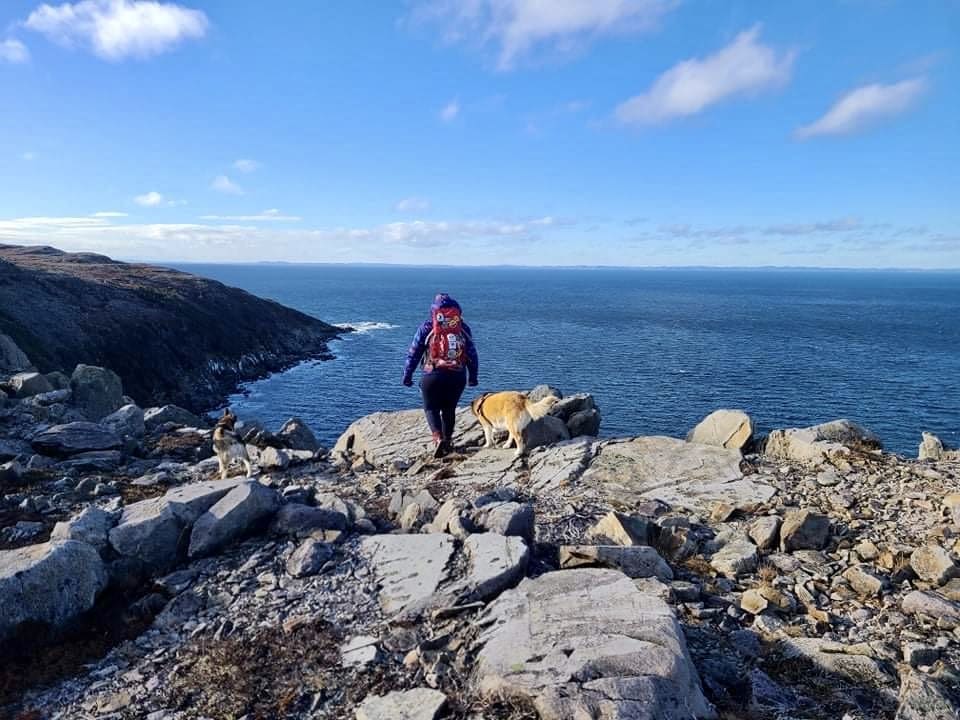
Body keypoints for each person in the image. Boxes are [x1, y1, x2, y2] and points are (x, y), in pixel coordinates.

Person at [402, 293, 479, 457]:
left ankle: (437, 439)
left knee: (431, 408)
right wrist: (473, 377)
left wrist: (407, 375)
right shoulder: (463, 329)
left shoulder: (426, 327)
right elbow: (472, 355)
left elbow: (414, 353)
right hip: (457, 376)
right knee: (449, 409)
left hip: (433, 375)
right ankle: (448, 442)